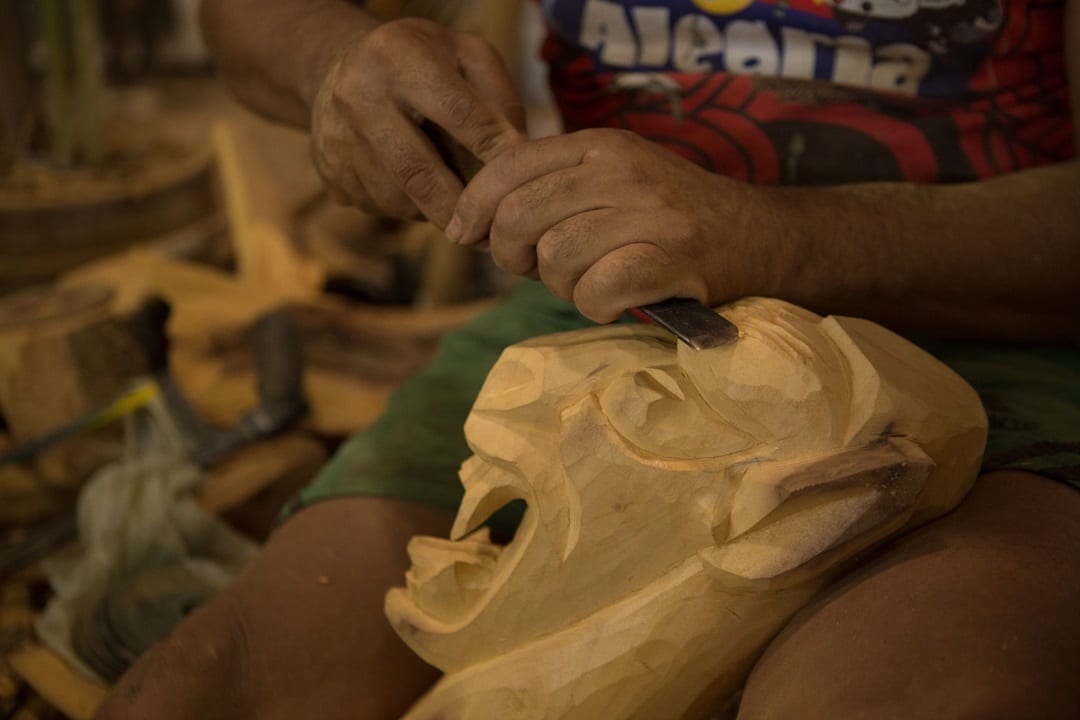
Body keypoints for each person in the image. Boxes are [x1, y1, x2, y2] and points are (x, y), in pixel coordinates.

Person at [96, 1, 1080, 718]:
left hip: (991, 309)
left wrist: (770, 234)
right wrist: (334, 64)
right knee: (204, 688)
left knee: (895, 694)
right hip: (613, 300)